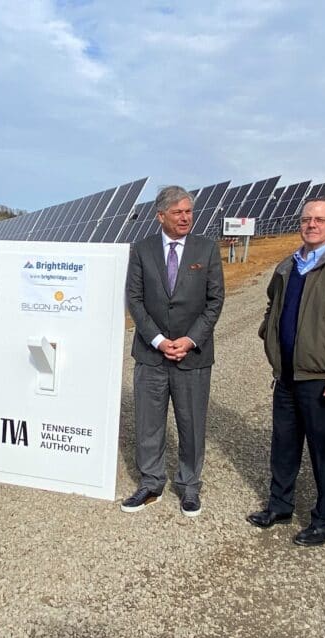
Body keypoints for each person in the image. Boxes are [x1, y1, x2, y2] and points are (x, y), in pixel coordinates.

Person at [247, 197, 325, 546]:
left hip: (321, 379)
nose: (312, 225)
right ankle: (280, 505)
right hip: (286, 376)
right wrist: (268, 334)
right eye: (306, 219)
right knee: (284, 446)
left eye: (320, 219)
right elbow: (273, 305)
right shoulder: (287, 267)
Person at [123, 185, 225, 516]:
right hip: (151, 355)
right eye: (178, 212)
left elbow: (215, 301)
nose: (185, 218)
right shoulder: (141, 250)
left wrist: (190, 339)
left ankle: (189, 485)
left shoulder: (206, 250)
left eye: (189, 212)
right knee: (149, 423)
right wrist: (157, 340)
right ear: (161, 216)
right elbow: (135, 300)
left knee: (191, 423)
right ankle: (151, 482)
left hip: (193, 356)